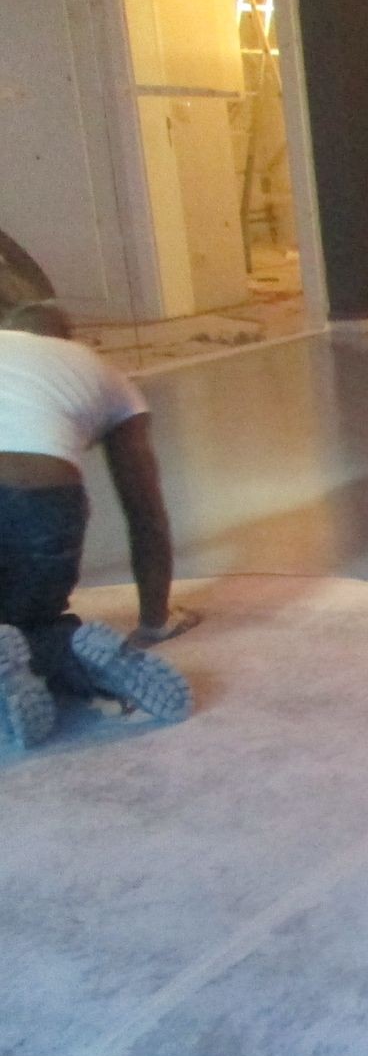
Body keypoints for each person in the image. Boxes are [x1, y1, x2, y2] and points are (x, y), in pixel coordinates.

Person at [0, 301, 192, 750]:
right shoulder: (105, 374)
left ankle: (21, 661)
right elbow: (145, 513)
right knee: (31, 617)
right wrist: (153, 622)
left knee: (12, 626)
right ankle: (69, 654)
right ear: (72, 339)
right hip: (44, 503)